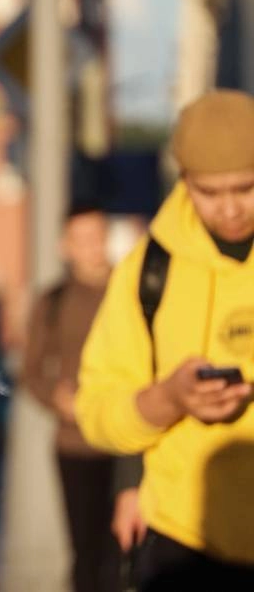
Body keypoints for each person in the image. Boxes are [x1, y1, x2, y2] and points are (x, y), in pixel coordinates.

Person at [77, 89, 254, 590]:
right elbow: (97, 411)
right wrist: (170, 399)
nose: (230, 209)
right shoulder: (148, 270)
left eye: (246, 188)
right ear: (184, 181)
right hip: (185, 543)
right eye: (210, 192)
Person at [20, 205, 120, 592]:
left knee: (131, 550)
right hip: (77, 444)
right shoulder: (54, 301)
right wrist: (56, 399)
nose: (92, 248)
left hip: (131, 438)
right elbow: (30, 372)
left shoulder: (130, 290)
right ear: (65, 246)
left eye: (98, 237)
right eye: (82, 239)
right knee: (88, 552)